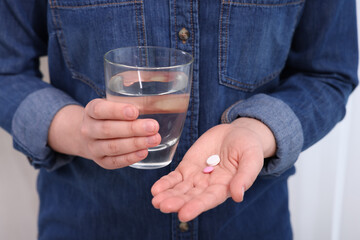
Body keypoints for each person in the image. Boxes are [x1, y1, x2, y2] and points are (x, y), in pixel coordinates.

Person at [0, 0, 357, 239]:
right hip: (86, 222)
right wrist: (76, 130)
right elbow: (5, 69)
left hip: (250, 223)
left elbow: (328, 73)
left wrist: (257, 129)